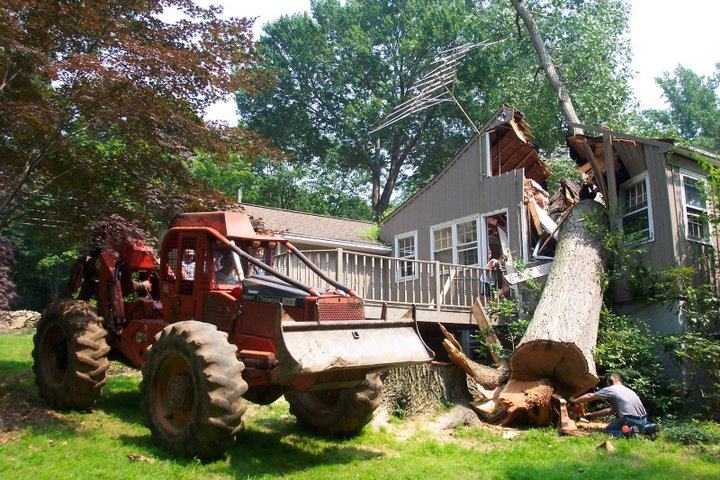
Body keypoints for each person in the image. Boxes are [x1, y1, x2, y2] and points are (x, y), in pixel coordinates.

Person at [570, 372, 658, 438]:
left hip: (628, 420)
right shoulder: (628, 390)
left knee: (607, 431)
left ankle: (627, 433)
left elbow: (590, 396)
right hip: (643, 420)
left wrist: (574, 401)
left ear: (611, 380)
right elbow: (611, 410)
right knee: (639, 425)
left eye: (607, 383)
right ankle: (648, 428)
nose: (607, 386)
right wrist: (592, 415)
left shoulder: (612, 389)